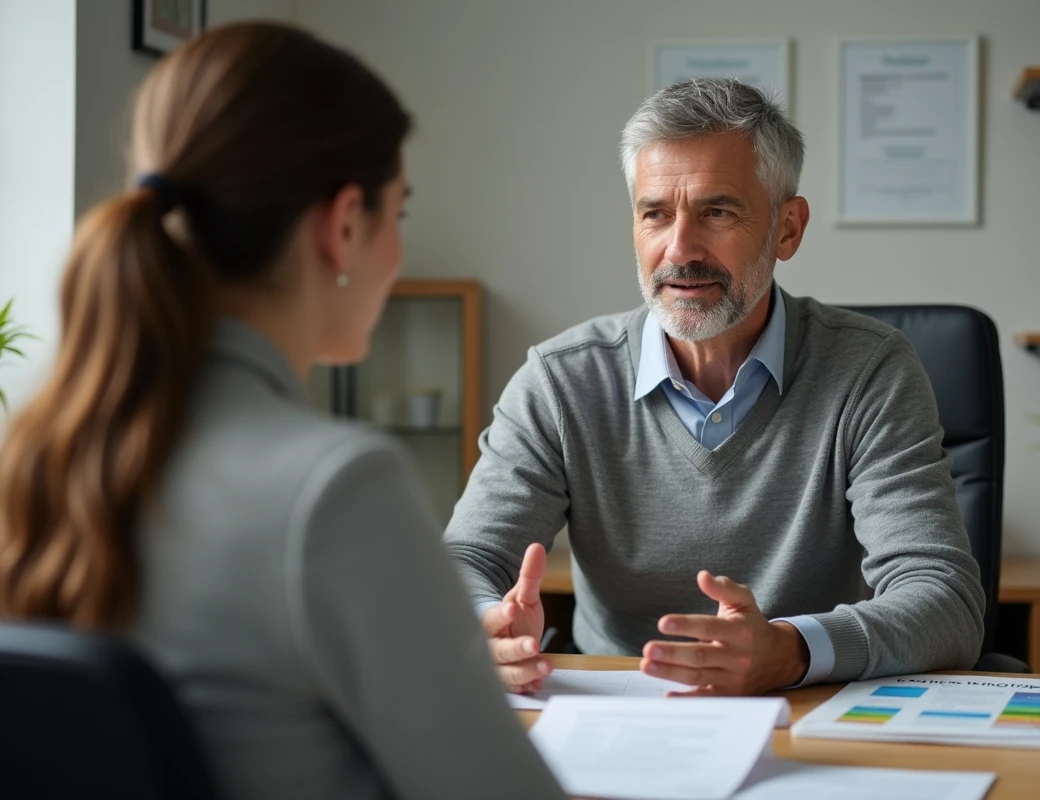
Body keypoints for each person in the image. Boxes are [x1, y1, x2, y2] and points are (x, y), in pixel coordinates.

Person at [0, 22, 564, 800]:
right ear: (341, 228)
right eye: (397, 214)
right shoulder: (337, 488)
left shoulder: (31, 452)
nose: (398, 251)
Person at [445, 77, 987, 697]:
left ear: (787, 229)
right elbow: (467, 562)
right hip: (616, 712)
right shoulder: (560, 381)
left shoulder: (870, 373)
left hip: (803, 710)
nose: (680, 249)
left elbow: (944, 600)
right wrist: (481, 624)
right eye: (655, 214)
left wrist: (789, 650)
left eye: (717, 212)